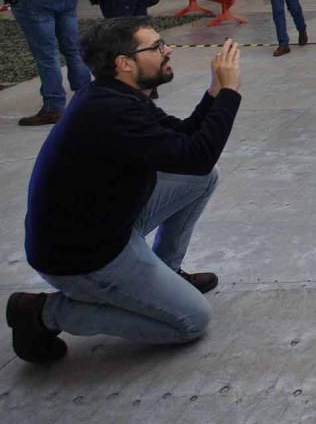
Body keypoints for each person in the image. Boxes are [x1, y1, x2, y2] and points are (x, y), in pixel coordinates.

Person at [6, 19, 241, 364]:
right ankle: (43, 311)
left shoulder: (117, 95)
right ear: (124, 63)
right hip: (83, 257)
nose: (168, 50)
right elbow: (197, 153)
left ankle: (167, 270)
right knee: (191, 321)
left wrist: (215, 92)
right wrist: (231, 93)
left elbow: (187, 144)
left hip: (111, 223)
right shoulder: (109, 112)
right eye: (157, 46)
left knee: (202, 177)